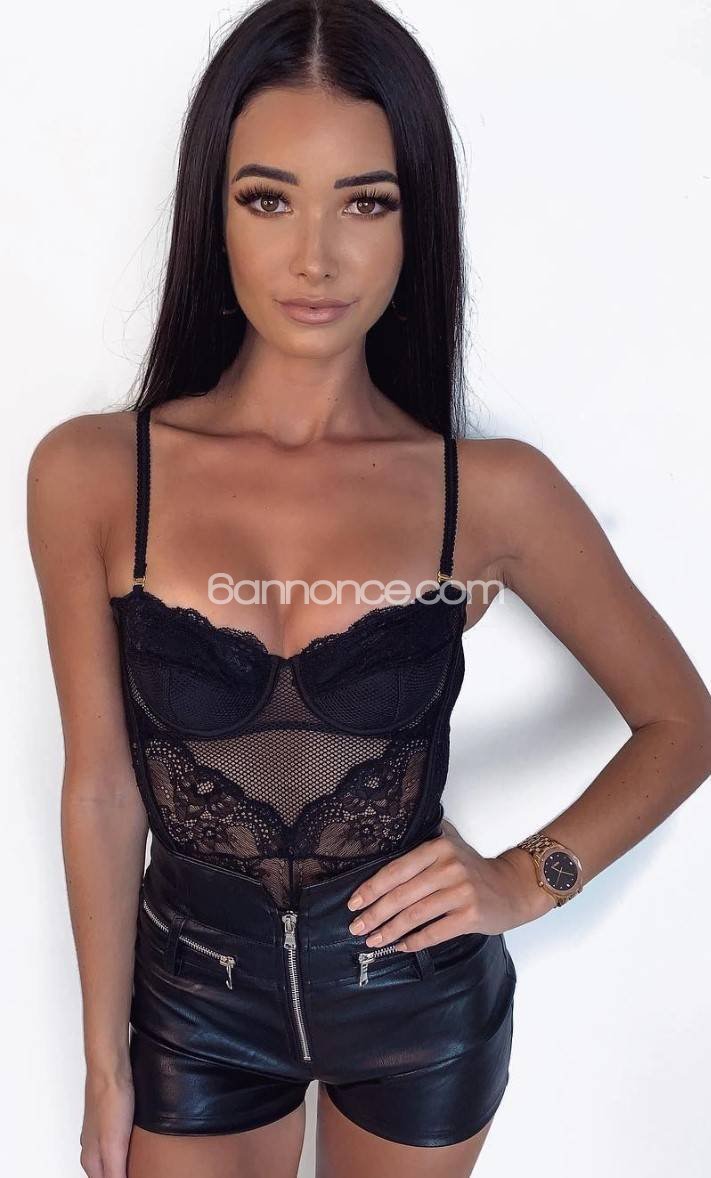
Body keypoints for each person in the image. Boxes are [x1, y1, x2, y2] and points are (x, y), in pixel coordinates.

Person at [26, 1, 711, 1176]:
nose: (316, 257)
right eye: (269, 199)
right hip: (194, 997)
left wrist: (525, 879)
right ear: (213, 212)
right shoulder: (93, 474)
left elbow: (683, 720)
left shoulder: (490, 492)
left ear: (415, 217)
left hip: (417, 1005)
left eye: (366, 201)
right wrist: (104, 1058)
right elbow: (99, 785)